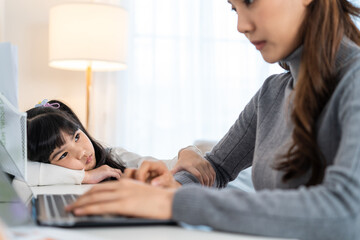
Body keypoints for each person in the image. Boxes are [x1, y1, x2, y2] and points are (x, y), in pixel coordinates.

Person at [66, 0, 360, 239]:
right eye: (234, 8)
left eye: (250, 2)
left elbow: (347, 211)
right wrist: (164, 187)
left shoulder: (355, 79)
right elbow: (216, 169)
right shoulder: (272, 94)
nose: (241, 25)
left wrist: (170, 203)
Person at [26, 100, 215, 186]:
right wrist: (86, 177)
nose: (82, 153)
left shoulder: (114, 156)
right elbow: (23, 172)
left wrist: (187, 151)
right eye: (63, 154)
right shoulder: (45, 177)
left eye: (76, 137)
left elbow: (167, 166)